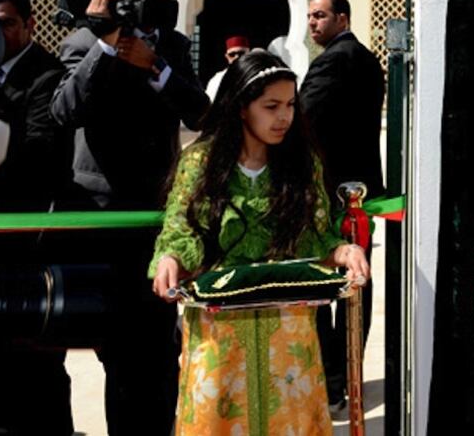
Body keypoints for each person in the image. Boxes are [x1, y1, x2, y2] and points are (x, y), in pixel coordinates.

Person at [149, 50, 370, 435]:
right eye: (271, 106)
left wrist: (344, 250)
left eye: (289, 105)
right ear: (240, 107)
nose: (284, 117)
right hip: (219, 329)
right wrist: (170, 257)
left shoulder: (302, 162)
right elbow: (180, 229)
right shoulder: (201, 163)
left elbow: (316, 235)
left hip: (289, 330)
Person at [50, 0, 209, 436]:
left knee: (155, 356)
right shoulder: (83, 41)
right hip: (97, 225)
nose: (146, 6)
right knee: (110, 350)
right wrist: (105, 44)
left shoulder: (174, 47)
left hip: (154, 224)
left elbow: (200, 113)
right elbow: (63, 110)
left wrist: (155, 66)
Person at [0, 0, 76, 435]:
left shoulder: (47, 76)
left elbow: (36, 156)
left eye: (8, 22)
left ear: (30, 25)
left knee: (37, 370)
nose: (0, 32)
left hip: (28, 248)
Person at [300, 0, 384, 417]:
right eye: (310, 16)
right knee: (356, 290)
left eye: (320, 15)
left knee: (322, 288)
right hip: (360, 192)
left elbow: (303, 117)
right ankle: (346, 379)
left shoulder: (334, 60)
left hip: (332, 195)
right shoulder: (367, 59)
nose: (312, 23)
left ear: (342, 18)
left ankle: (331, 386)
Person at [204, 35, 250, 101]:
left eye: (241, 53)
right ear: (227, 57)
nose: (237, 57)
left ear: (249, 54)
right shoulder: (217, 79)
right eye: (232, 54)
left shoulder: (259, 75)